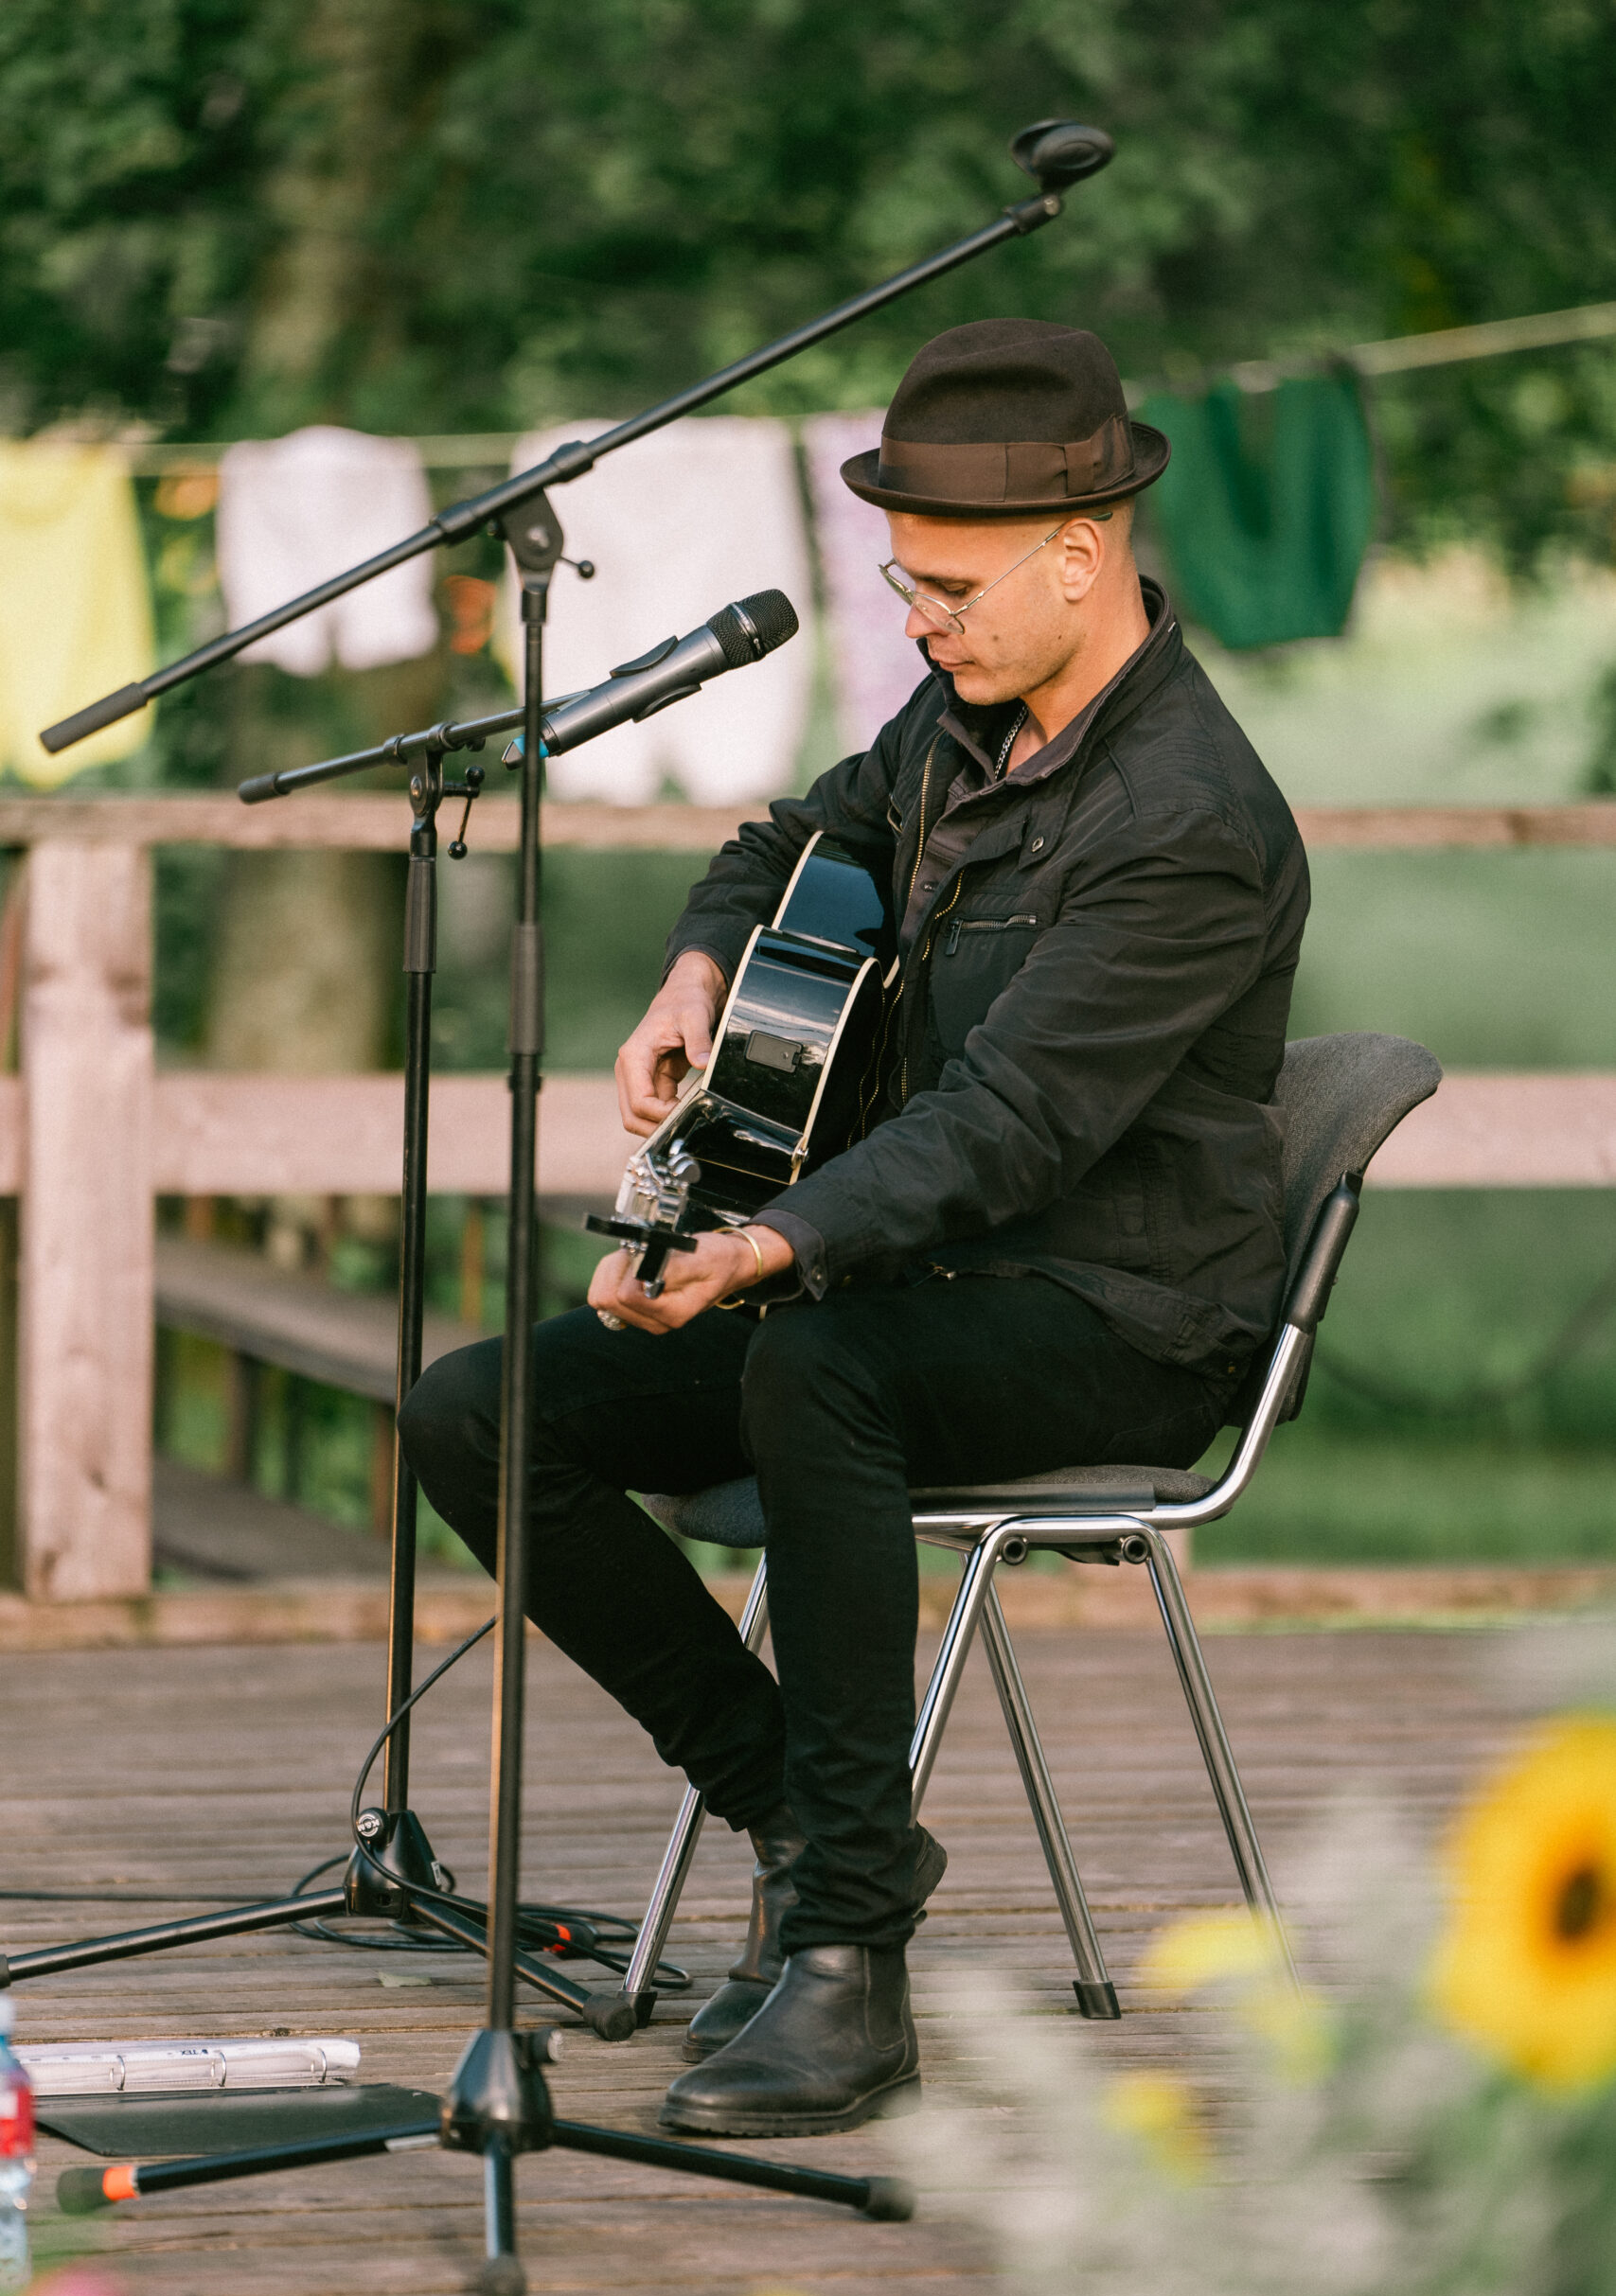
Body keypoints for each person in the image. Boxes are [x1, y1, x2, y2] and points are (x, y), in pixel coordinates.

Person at [400, 319, 1309, 2138]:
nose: (919, 622)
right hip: (907, 1271)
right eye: (904, 582)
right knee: (481, 1413)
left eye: (948, 588)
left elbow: (1014, 1122)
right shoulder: (958, 722)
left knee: (816, 1368)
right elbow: (788, 846)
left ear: (1081, 556)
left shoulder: (1190, 821)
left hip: (1119, 1314)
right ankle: (818, 1824)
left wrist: (773, 1246)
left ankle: (847, 1958)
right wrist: (699, 965)